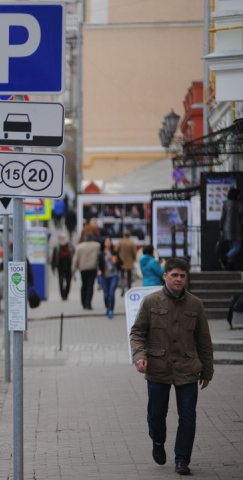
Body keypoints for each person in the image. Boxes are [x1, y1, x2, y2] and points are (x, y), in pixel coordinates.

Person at [130, 258, 213, 476]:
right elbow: (137, 333)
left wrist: (207, 370)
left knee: (188, 416)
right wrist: (139, 356)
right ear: (165, 276)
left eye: (182, 276)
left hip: (187, 368)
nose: (178, 279)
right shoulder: (150, 302)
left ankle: (182, 459)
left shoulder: (195, 304)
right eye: (174, 275)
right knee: (156, 415)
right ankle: (158, 441)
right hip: (158, 368)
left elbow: (204, 340)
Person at [72, 233, 100, 310]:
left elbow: (75, 259)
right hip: (92, 268)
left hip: (83, 269)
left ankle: (83, 303)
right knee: (90, 286)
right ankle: (88, 303)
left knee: (84, 285)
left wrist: (73, 270)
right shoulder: (96, 246)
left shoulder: (79, 247)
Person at [97, 237, 122, 319]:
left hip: (114, 275)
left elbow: (121, 263)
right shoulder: (101, 253)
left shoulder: (114, 252)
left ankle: (111, 310)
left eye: (109, 241)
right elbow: (98, 264)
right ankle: (107, 308)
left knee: (111, 293)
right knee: (106, 294)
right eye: (106, 241)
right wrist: (99, 270)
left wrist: (117, 261)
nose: (108, 243)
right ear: (104, 243)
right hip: (104, 276)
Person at [220, 187, 243, 270]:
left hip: (226, 229)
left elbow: (223, 217)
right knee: (237, 247)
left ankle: (230, 267)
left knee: (232, 247)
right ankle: (225, 257)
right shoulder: (240, 204)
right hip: (236, 229)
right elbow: (241, 218)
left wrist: (221, 229)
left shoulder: (226, 204)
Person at [51, 233, 73, 301]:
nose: (62, 239)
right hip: (60, 267)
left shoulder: (70, 247)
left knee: (68, 282)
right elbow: (54, 258)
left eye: (63, 238)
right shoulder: (57, 247)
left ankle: (66, 293)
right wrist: (53, 268)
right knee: (60, 282)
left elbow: (74, 257)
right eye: (61, 238)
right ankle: (62, 295)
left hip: (68, 267)